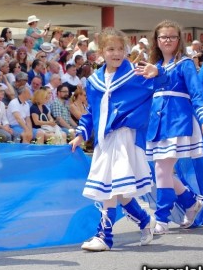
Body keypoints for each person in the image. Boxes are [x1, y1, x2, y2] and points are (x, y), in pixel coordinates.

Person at [69, 27, 166, 252]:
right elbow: (90, 112)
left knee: (109, 188)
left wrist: (158, 72)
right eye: (111, 49)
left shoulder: (136, 74)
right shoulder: (94, 81)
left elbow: (163, 84)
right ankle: (144, 220)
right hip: (105, 139)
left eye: (120, 49)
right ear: (101, 52)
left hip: (125, 136)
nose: (116, 53)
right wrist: (81, 134)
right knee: (117, 191)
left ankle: (105, 236)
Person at [145, 20, 203, 234]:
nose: (167, 40)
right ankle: (192, 202)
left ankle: (162, 219)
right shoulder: (154, 67)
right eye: (163, 37)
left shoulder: (185, 64)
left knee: (161, 169)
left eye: (172, 36)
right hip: (157, 124)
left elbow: (196, 92)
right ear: (156, 41)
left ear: (179, 40)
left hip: (177, 120)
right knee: (160, 171)